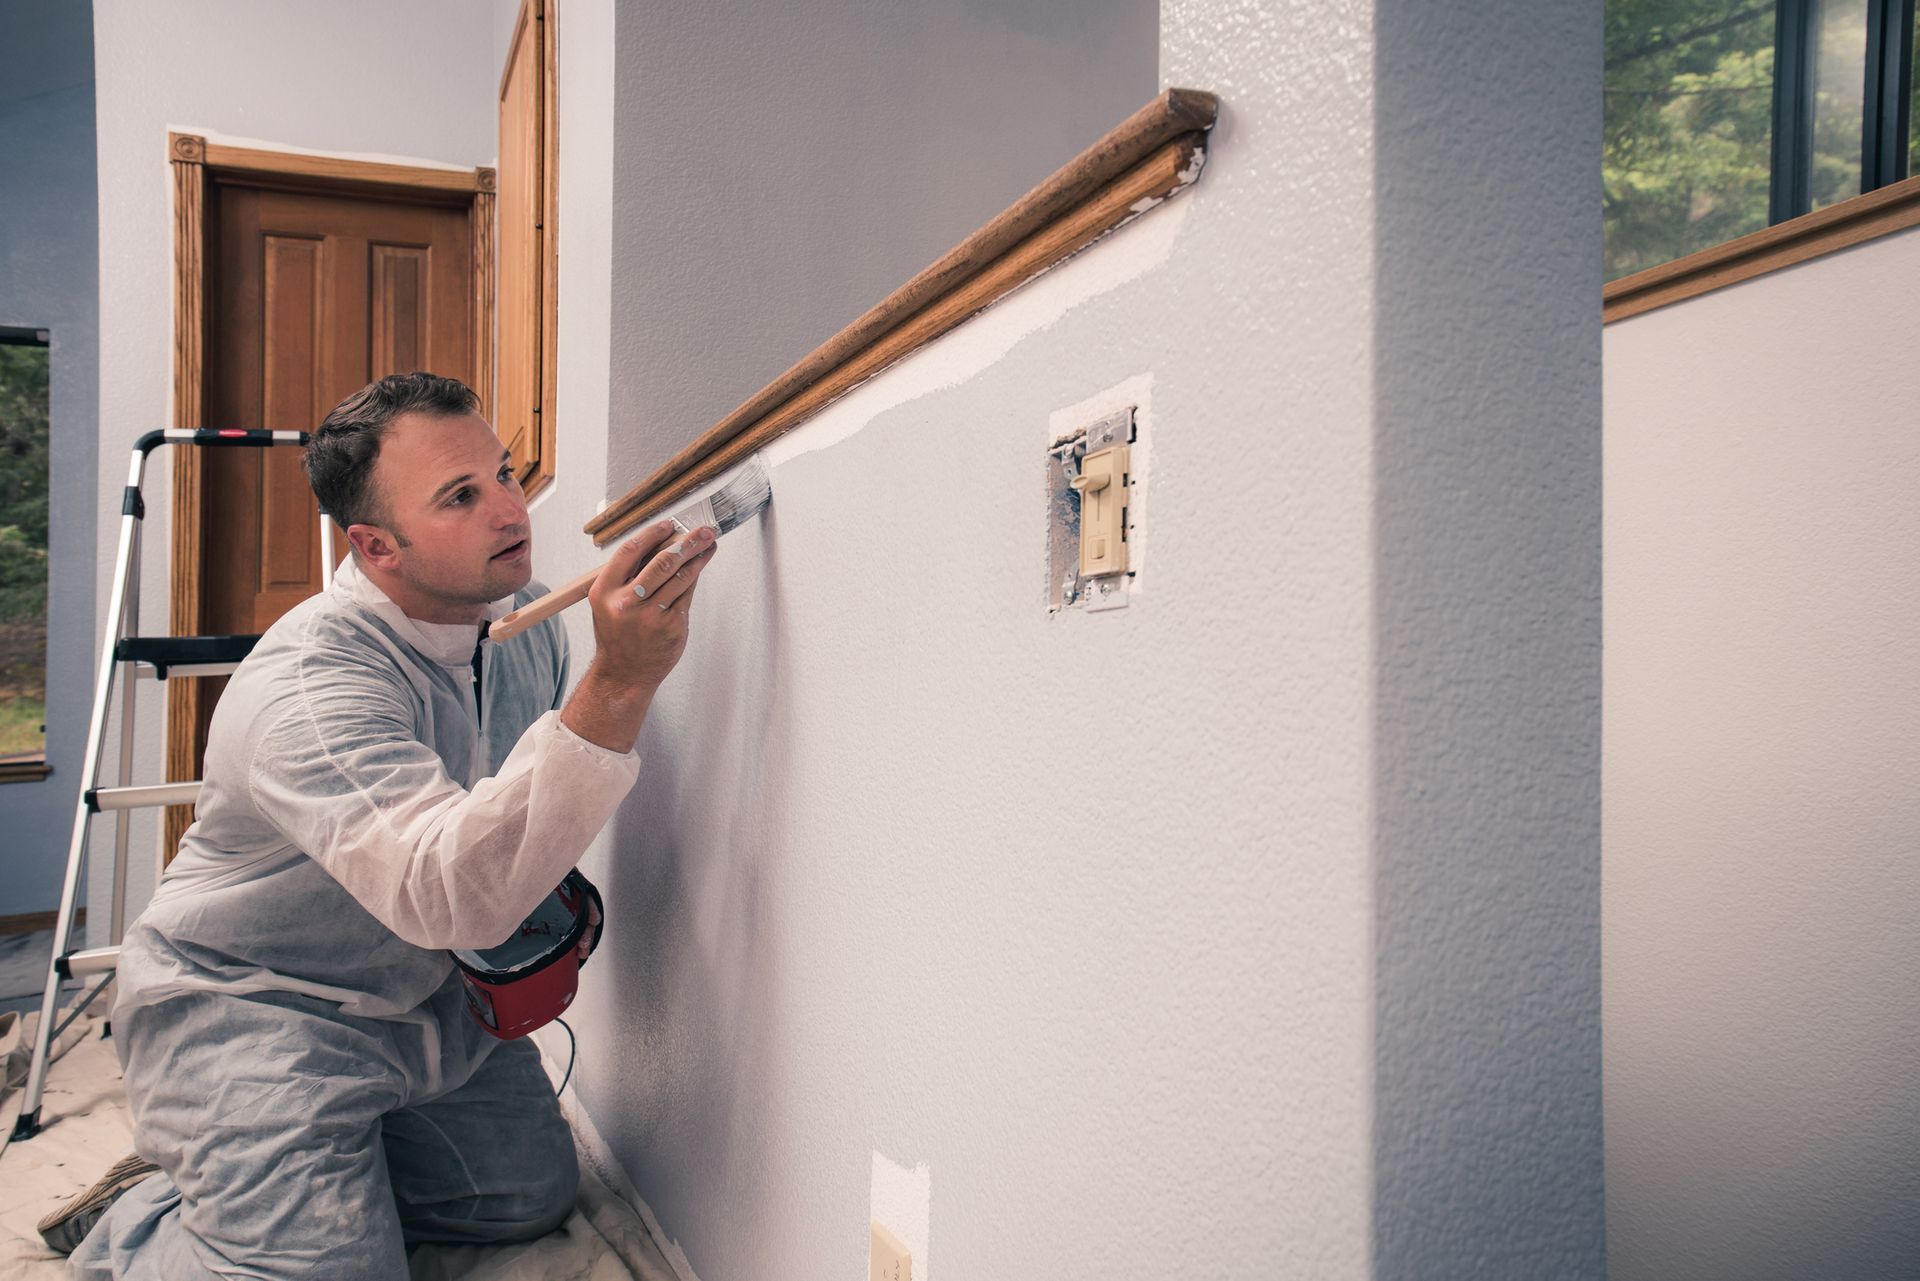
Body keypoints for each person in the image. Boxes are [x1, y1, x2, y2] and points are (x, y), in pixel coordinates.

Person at [47, 372, 716, 1277]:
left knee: (528, 1196)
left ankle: (283, 1183)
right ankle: (152, 1217)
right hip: (256, 1009)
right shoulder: (312, 692)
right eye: (460, 496)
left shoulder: (529, 623)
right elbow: (451, 892)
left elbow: (504, 815)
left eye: (506, 473)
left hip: (418, 1005)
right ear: (375, 545)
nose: (509, 509)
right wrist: (623, 682)